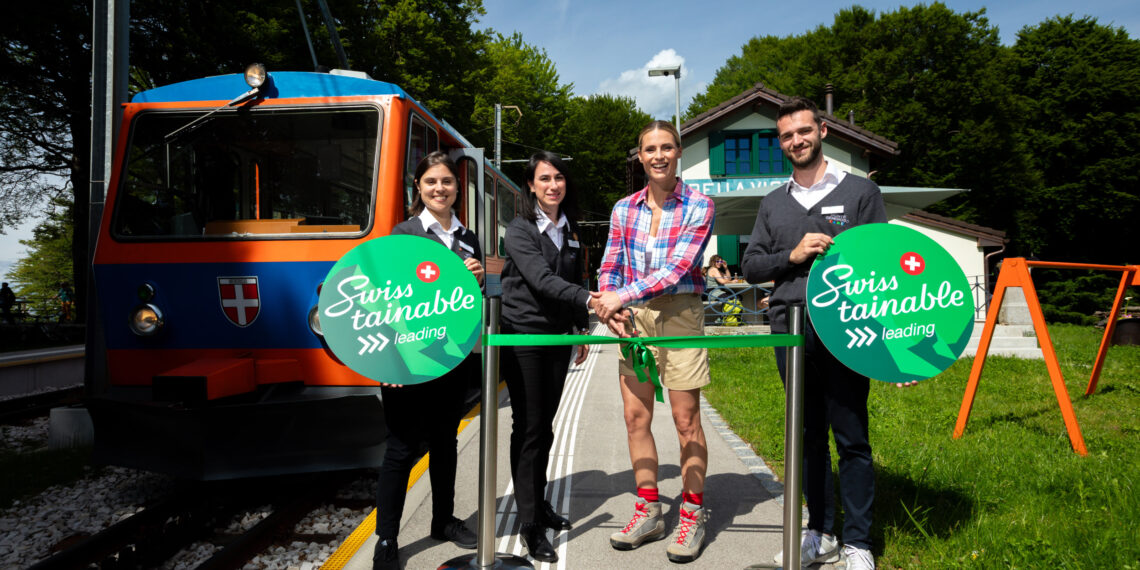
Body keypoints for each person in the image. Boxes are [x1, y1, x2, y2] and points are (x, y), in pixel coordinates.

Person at [741, 96, 884, 570]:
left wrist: (890, 342)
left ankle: (859, 543)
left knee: (852, 437)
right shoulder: (773, 202)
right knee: (806, 436)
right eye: (786, 136)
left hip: (844, 328)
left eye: (803, 131)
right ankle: (819, 531)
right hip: (789, 327)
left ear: (821, 130)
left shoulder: (860, 192)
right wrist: (793, 256)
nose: (796, 141)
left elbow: (881, 265)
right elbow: (752, 265)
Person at [593, 120, 716, 564]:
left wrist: (617, 296)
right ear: (640, 156)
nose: (659, 155)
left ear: (678, 152)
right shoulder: (624, 208)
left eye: (667, 147)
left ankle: (692, 513)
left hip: (680, 312)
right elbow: (611, 263)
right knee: (634, 416)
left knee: (686, 420)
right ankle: (648, 510)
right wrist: (612, 309)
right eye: (651, 149)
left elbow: (680, 268)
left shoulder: (700, 205)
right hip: (634, 317)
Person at [373, 151, 483, 570]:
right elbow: (383, 302)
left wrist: (475, 280)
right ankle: (387, 540)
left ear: (457, 189)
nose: (440, 188)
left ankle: (443, 520)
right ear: (417, 188)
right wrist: (390, 361)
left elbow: (466, 303)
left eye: (448, 182)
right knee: (399, 449)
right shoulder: (403, 234)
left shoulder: (467, 237)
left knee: (445, 442)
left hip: (449, 358)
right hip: (407, 361)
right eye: (431, 181)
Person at [499, 151, 595, 563]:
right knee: (531, 429)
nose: (553, 185)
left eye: (559, 177)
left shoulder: (570, 228)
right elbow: (541, 279)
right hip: (523, 336)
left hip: (557, 337)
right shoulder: (519, 229)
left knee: (546, 428)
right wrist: (592, 301)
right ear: (531, 185)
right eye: (544, 178)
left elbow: (572, 279)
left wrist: (579, 329)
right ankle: (530, 526)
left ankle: (538, 504)